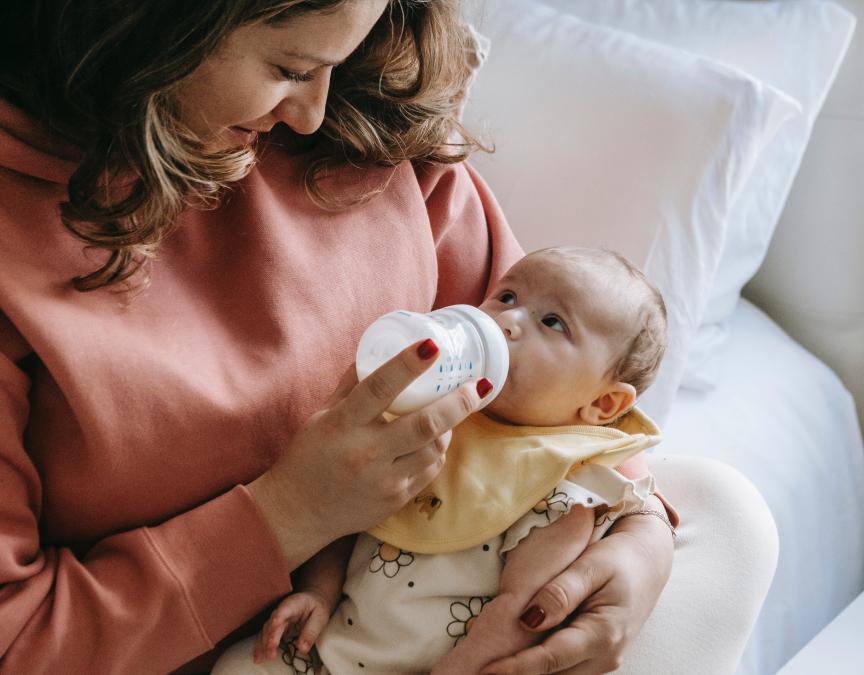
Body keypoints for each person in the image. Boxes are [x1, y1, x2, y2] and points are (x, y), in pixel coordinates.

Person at [0, 1, 680, 672]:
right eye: (291, 67)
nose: (312, 114)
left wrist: (642, 540)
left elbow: (572, 381)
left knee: (737, 518)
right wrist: (288, 515)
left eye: (340, 59)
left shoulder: (370, 123)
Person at [211, 246, 671, 674]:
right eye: (506, 295)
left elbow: (519, 611)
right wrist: (318, 591)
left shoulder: (562, 488)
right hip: (326, 653)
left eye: (553, 322)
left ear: (603, 406)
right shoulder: (429, 411)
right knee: (238, 665)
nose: (507, 319)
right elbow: (345, 512)